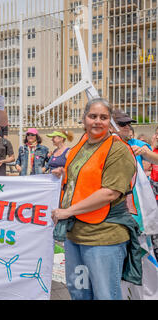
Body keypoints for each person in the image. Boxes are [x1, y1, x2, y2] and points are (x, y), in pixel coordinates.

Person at [52, 98, 141, 300]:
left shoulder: (118, 150)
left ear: (110, 122)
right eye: (93, 116)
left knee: (105, 295)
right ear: (84, 119)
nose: (97, 121)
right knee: (79, 292)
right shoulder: (80, 147)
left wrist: (67, 211)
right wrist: (63, 173)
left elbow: (109, 192)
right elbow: (81, 179)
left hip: (104, 237)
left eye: (104, 117)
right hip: (76, 236)